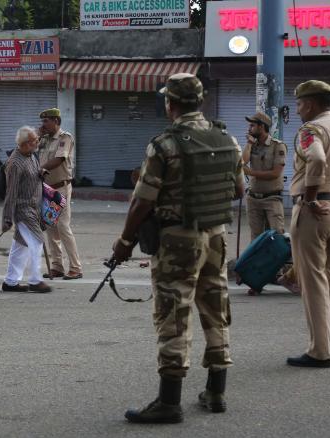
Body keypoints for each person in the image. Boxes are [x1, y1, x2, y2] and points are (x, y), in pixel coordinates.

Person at [112, 73, 245, 424]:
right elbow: (238, 191)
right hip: (216, 236)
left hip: (177, 241)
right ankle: (216, 392)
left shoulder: (164, 144)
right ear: (199, 102)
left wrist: (125, 241)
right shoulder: (227, 139)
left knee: (173, 313)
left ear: (170, 104)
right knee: (215, 308)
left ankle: (169, 402)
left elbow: (142, 202)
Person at [286, 80, 330, 368]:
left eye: (300, 103)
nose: (298, 108)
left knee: (313, 280)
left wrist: (311, 197)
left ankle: (319, 351)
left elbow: (315, 158)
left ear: (311, 104)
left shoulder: (310, 129)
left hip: (316, 210)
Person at [1, 126, 52, 293]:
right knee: (37, 241)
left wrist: (41, 172)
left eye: (37, 140)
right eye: (34, 141)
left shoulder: (31, 155)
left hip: (34, 207)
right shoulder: (15, 163)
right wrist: (7, 218)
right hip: (23, 210)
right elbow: (11, 192)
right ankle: (35, 280)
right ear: (24, 143)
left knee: (20, 245)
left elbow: (33, 172)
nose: (37, 143)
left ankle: (10, 282)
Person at [242, 111, 287, 295]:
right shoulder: (252, 145)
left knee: (278, 236)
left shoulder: (278, 146)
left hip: (272, 198)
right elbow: (242, 162)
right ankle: (256, 279)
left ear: (262, 127)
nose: (249, 128)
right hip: (253, 198)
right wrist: (248, 144)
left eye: (253, 125)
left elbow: (276, 173)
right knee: (256, 239)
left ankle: (281, 274)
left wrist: (251, 173)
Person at [37, 108, 83, 280]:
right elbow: (30, 147)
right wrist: (37, 134)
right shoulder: (45, 139)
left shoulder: (65, 138)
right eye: (42, 121)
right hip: (47, 188)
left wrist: (41, 169)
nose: (44, 124)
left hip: (61, 188)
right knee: (51, 227)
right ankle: (57, 266)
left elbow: (59, 159)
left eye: (46, 121)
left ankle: (76, 267)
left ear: (56, 120)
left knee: (63, 226)